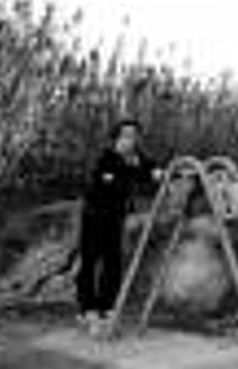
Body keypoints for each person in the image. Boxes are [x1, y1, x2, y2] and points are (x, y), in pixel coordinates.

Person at [76, 119, 162, 336]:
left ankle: (107, 307)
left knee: (113, 261)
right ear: (116, 138)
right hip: (94, 215)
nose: (130, 140)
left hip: (116, 217)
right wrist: (132, 172)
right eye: (125, 136)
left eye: (134, 136)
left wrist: (158, 173)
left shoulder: (137, 157)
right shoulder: (105, 158)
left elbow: (153, 171)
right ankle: (87, 309)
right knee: (90, 260)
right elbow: (111, 182)